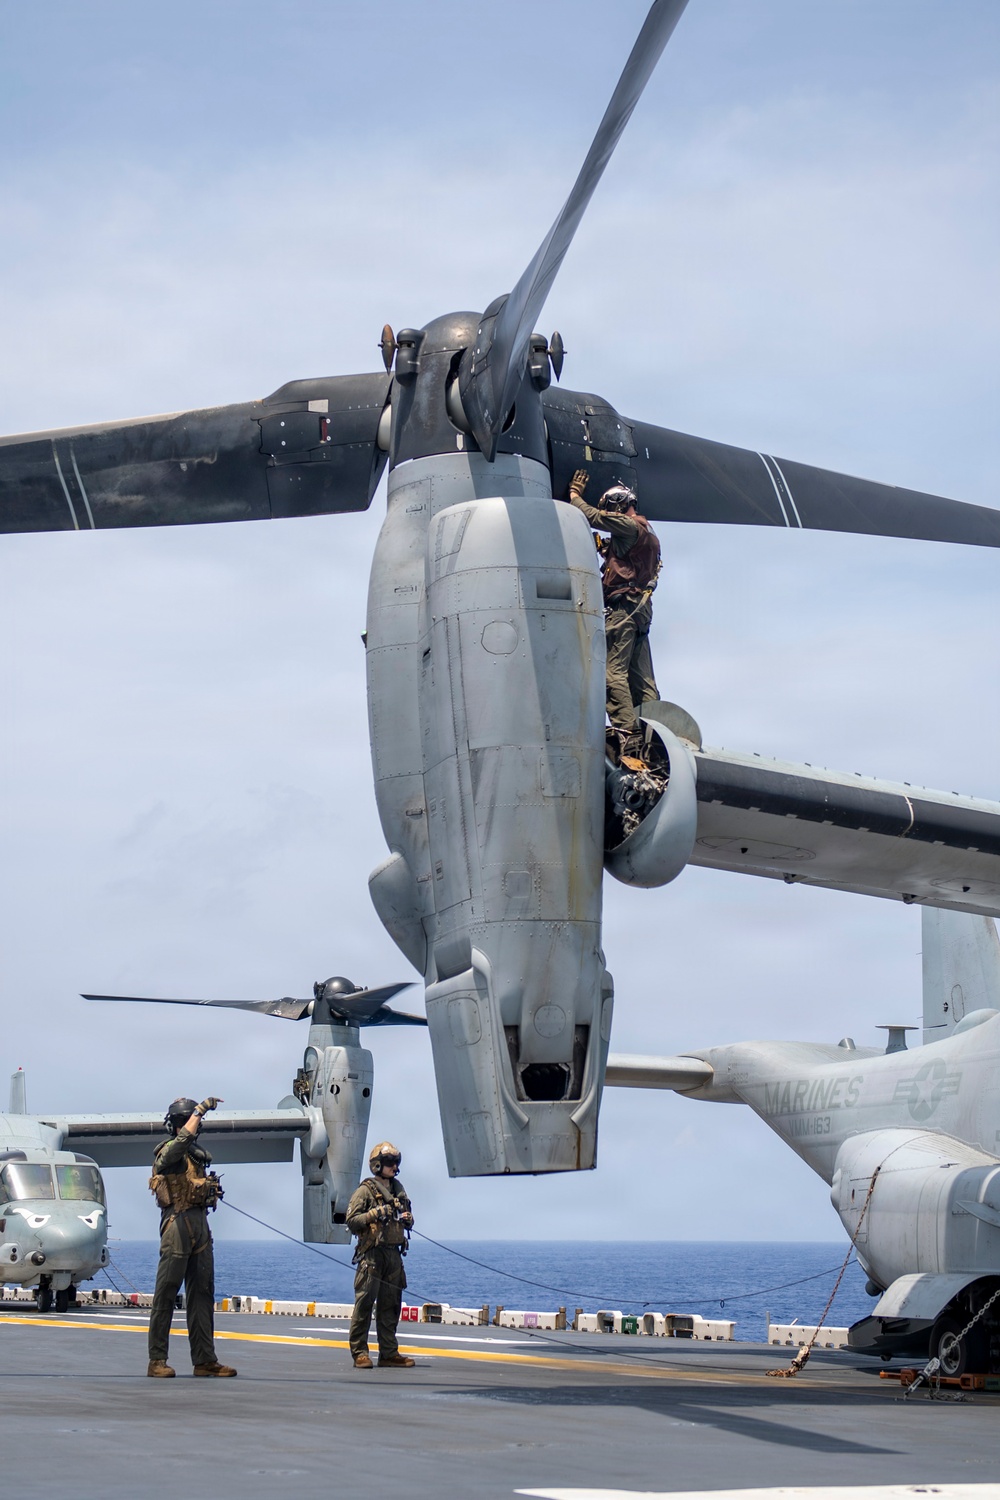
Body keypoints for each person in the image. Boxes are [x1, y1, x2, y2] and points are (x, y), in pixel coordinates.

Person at [565, 468, 661, 759]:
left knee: (611, 674)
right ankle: (655, 738)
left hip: (623, 609)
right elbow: (629, 559)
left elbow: (593, 516)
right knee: (641, 679)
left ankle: (629, 736)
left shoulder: (630, 526)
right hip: (640, 610)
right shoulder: (648, 533)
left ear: (620, 505)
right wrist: (608, 551)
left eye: (612, 509)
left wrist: (574, 495)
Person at [146, 1095, 236, 1379]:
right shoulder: (168, 1153)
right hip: (177, 1225)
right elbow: (181, 1141)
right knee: (166, 1293)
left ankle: (204, 1360)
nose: (195, 1125)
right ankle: (157, 1360)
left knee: (202, 1295)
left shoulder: (194, 1156)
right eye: (190, 1121)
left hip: (199, 1224)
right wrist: (200, 1110)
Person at [346, 1141, 415, 1370]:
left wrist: (408, 1220)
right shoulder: (365, 1191)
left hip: (393, 1254)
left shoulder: (398, 1189)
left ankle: (388, 1353)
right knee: (365, 1303)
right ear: (377, 1165)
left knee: (391, 1306)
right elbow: (352, 1221)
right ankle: (360, 1353)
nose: (394, 1167)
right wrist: (376, 1213)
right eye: (389, 1163)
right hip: (372, 1255)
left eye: (396, 1163)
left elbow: (409, 1215)